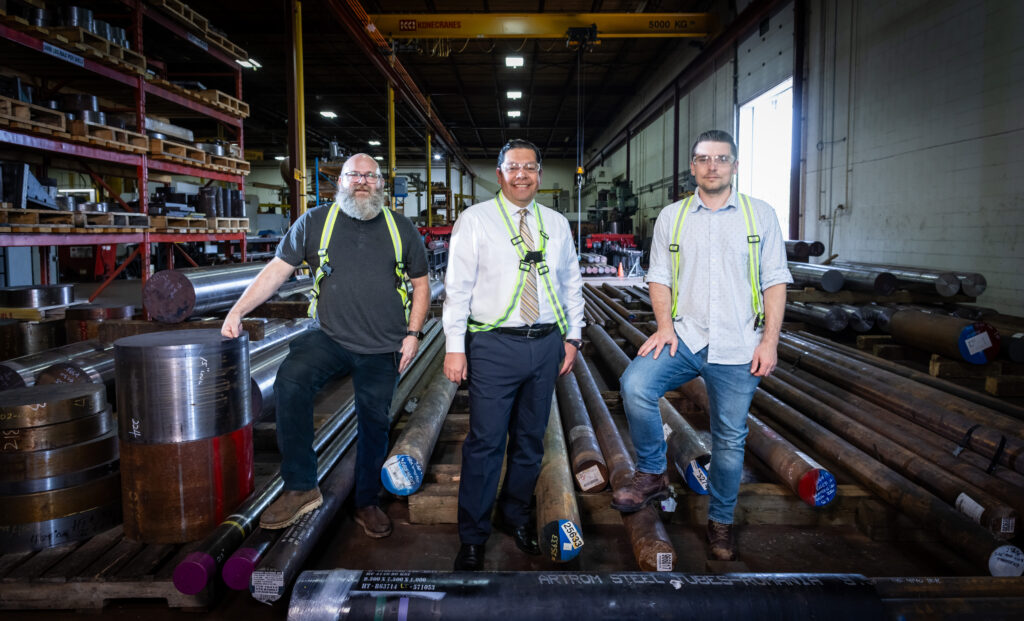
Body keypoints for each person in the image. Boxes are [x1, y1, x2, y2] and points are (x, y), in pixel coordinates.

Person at [221, 153, 429, 538]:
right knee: (291, 380)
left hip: (384, 343)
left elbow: (420, 285)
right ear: (340, 182)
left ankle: (366, 502)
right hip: (330, 336)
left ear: (381, 183)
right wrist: (237, 310)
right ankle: (301, 486)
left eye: (370, 175)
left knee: (374, 420)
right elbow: (275, 272)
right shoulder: (315, 222)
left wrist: (413, 335)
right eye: (354, 175)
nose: (362, 181)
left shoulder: (401, 228)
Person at [616, 129, 792, 561]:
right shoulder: (672, 217)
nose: (712, 165)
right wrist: (663, 326)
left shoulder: (760, 215)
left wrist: (769, 342)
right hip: (687, 336)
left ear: (735, 165)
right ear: (692, 167)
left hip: (737, 343)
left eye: (721, 158)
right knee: (636, 385)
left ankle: (721, 521)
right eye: (703, 158)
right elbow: (659, 277)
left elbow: (775, 282)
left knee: (729, 439)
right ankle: (653, 473)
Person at [443, 139, 585, 570]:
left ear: (539, 174)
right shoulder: (476, 220)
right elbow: (458, 288)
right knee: (485, 443)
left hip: (545, 345)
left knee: (529, 441)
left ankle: (515, 516)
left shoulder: (557, 224)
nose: (521, 174)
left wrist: (572, 338)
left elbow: (571, 283)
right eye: (512, 167)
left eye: (529, 167)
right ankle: (473, 535)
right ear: (500, 174)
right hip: (493, 345)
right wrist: (455, 347)